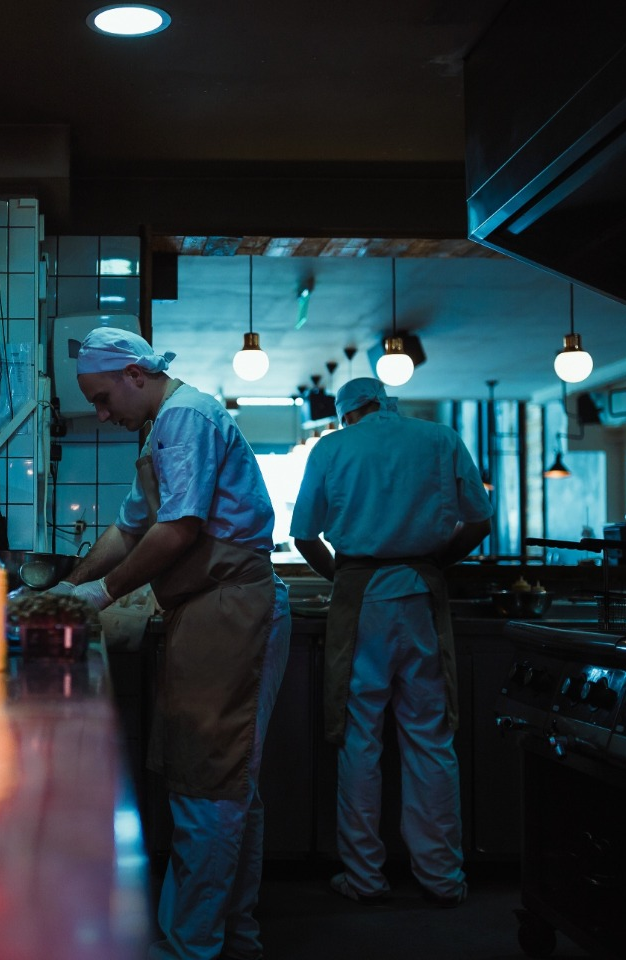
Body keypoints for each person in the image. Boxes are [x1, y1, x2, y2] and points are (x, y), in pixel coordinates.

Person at [56, 326, 291, 960]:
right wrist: (65, 589)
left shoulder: (186, 417)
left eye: (104, 399)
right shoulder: (162, 428)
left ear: (136, 374)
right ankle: (232, 934)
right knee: (223, 778)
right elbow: (130, 531)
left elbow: (180, 528)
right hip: (206, 610)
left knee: (210, 782)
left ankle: (194, 947)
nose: (103, 416)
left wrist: (100, 596)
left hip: (231, 604)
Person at [289, 377, 492, 908]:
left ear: (346, 413)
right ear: (385, 402)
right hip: (422, 594)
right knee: (430, 737)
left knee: (360, 738)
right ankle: (442, 878)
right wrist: (433, 563)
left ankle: (364, 878)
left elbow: (304, 535)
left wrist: (343, 577)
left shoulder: (332, 447)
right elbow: (479, 521)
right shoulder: (440, 438)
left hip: (362, 601)